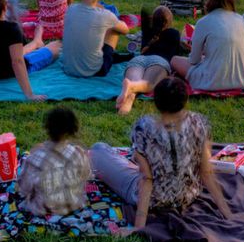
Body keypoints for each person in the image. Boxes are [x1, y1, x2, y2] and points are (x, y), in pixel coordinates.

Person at [91, 77, 233, 229]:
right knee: (137, 161)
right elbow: (206, 172)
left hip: (152, 199)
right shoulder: (199, 124)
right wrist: (228, 213)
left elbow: (147, 180)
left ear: (156, 102)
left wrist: (139, 227)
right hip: (187, 195)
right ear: (185, 99)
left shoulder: (144, 128)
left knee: (98, 149)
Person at [170, 0, 244, 91]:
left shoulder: (204, 22)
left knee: (174, 60)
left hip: (212, 81)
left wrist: (199, 52)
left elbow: (194, 60)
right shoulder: (240, 19)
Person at [17, 107, 91, 216]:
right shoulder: (79, 154)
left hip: (43, 207)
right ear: (73, 130)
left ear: (47, 128)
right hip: (74, 204)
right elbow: (87, 176)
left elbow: (24, 187)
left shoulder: (35, 157)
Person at [115, 6, 183, 115]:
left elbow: (145, 11)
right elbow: (176, 56)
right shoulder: (174, 33)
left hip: (139, 59)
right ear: (169, 21)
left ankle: (127, 102)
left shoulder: (148, 32)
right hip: (160, 61)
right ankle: (131, 87)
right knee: (149, 84)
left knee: (135, 81)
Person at [61, 0, 129, 78]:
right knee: (113, 30)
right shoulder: (105, 15)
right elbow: (125, 30)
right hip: (94, 71)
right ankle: (107, 57)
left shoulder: (70, 9)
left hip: (68, 68)